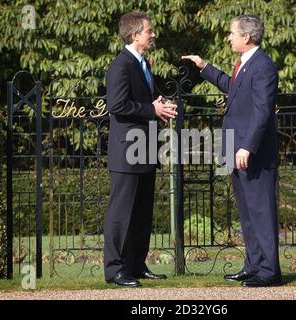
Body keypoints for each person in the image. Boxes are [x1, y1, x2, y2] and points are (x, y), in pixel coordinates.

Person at [182, 14, 281, 287]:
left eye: (232, 33)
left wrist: (247, 146)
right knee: (248, 213)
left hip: (254, 154)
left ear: (246, 37)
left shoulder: (262, 67)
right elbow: (232, 88)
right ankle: (253, 266)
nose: (229, 38)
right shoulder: (246, 66)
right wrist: (205, 67)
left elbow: (262, 112)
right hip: (237, 150)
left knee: (261, 212)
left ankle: (270, 272)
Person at [104, 11, 177, 287]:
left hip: (145, 149)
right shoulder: (120, 65)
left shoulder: (143, 63)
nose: (153, 34)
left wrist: (156, 103)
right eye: (149, 30)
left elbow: (140, 102)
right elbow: (117, 106)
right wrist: (152, 109)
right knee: (121, 213)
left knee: (142, 212)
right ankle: (115, 270)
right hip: (126, 153)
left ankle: (135, 265)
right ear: (135, 34)